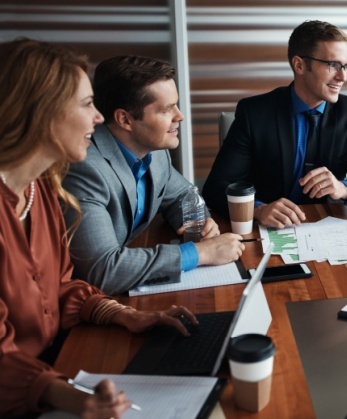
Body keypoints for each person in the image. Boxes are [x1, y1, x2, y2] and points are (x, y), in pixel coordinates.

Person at [0, 38, 199, 418]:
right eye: (87, 104)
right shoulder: (71, 175)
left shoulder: (40, 187)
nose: (97, 118)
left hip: (54, 365)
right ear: (40, 111)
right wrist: (72, 397)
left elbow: (59, 286)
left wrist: (125, 314)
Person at [62, 55, 244, 295]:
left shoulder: (154, 151)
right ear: (125, 119)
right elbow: (103, 269)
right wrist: (201, 253)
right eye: (167, 109)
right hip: (81, 305)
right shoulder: (85, 168)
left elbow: (183, 194)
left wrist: (198, 223)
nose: (180, 116)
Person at [202, 20, 347, 228]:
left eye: (346, 66)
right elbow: (216, 188)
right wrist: (258, 208)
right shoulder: (254, 113)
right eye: (333, 65)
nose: (342, 76)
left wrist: (344, 189)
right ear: (299, 65)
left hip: (327, 229)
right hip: (267, 233)